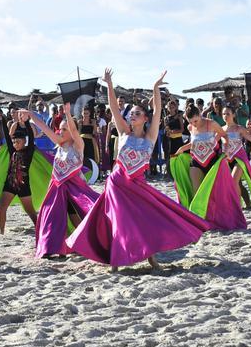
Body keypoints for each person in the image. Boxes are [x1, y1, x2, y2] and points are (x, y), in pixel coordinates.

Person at [67, 69, 209, 271]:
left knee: (142, 221)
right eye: (131, 113)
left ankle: (151, 259)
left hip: (137, 186)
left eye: (137, 113)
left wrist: (155, 88)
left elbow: (158, 111)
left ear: (144, 118)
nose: (132, 115)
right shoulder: (123, 132)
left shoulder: (149, 137)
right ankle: (116, 262)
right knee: (118, 221)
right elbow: (115, 108)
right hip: (117, 184)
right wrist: (109, 85)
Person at [27, 104, 99, 258]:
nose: (61, 131)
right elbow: (46, 129)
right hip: (57, 187)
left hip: (74, 189)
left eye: (64, 129)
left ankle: (87, 242)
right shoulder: (59, 144)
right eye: (60, 128)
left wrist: (68, 115)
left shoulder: (78, 145)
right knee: (52, 216)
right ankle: (52, 247)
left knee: (78, 216)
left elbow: (73, 130)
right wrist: (31, 115)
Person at [0, 111, 54, 235]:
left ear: (24, 141)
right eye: (14, 142)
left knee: (31, 212)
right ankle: (2, 232)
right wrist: (2, 119)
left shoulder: (29, 152)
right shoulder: (12, 150)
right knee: (2, 208)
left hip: (23, 186)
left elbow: (30, 134)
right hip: (10, 184)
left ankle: (41, 230)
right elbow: (7, 137)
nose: (15, 144)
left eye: (18, 142)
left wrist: (27, 122)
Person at [169, 104, 244, 231]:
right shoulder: (190, 127)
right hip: (196, 161)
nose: (194, 124)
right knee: (197, 191)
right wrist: (181, 149)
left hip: (213, 162)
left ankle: (216, 217)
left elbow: (224, 136)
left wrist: (225, 149)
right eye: (191, 122)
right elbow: (193, 143)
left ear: (200, 114)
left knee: (214, 192)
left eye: (196, 121)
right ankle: (200, 220)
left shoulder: (211, 124)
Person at [221, 106, 251, 209]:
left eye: (228, 113)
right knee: (238, 184)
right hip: (227, 160)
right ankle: (248, 204)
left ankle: (237, 206)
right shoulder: (221, 129)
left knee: (234, 180)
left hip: (239, 158)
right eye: (224, 114)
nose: (225, 116)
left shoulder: (239, 128)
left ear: (233, 115)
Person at [163, 100, 185, 167]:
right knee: (171, 157)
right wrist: (168, 132)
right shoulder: (166, 118)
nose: (171, 109)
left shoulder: (179, 117)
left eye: (172, 107)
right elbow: (167, 130)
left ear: (175, 108)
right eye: (169, 107)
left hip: (178, 140)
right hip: (170, 141)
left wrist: (174, 131)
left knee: (179, 157)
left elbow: (182, 130)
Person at [78, 106, 101, 170]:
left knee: (91, 156)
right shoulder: (80, 122)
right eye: (84, 113)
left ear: (90, 113)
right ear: (82, 113)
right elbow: (78, 133)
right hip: (82, 142)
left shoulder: (93, 121)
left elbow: (95, 132)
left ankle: (92, 171)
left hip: (90, 142)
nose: (85, 115)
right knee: (82, 157)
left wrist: (96, 131)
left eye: (87, 113)